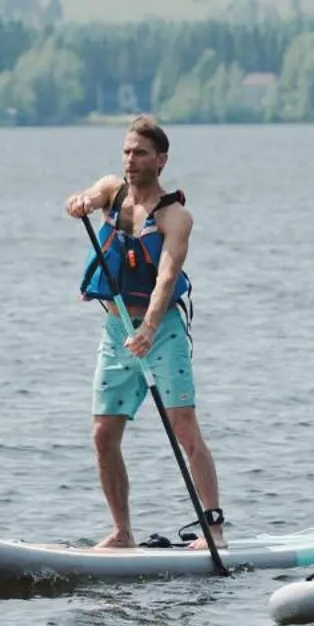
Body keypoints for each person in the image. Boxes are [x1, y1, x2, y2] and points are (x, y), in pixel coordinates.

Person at [64, 115, 225, 550]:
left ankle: (214, 531)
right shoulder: (112, 193)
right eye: (127, 152)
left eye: (140, 153)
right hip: (117, 326)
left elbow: (167, 276)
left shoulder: (176, 217)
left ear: (161, 160)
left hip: (163, 330)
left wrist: (151, 326)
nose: (131, 161)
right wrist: (79, 201)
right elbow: (85, 196)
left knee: (184, 428)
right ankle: (122, 531)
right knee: (103, 434)